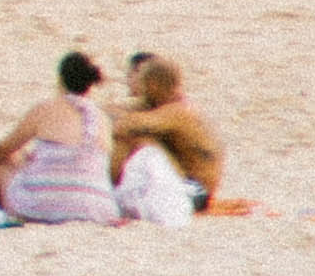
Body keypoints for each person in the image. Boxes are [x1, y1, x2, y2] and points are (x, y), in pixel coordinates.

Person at [0, 49, 127, 224]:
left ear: (60, 79)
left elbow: (4, 148)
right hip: (97, 207)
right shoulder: (102, 119)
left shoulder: (46, 108)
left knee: (3, 162)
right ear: (90, 84)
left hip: (46, 206)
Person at [110, 54, 258, 218]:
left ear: (152, 86)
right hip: (194, 187)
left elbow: (125, 127)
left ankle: (106, 186)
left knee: (137, 141)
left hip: (196, 191)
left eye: (143, 86)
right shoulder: (171, 105)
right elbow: (124, 111)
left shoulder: (178, 112)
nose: (141, 93)